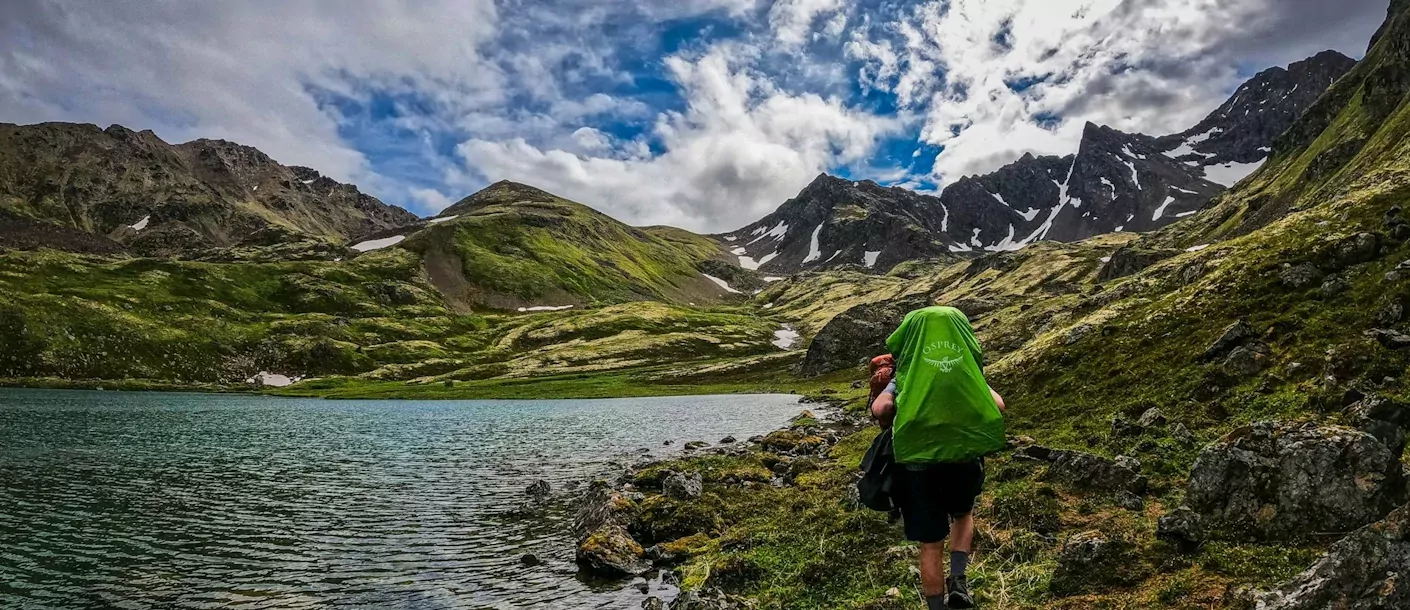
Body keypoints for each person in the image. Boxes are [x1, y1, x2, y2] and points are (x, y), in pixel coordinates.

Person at [870, 306, 1006, 610]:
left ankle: (936, 606)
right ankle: (958, 581)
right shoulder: (965, 369)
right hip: (963, 459)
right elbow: (998, 405)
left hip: (918, 466)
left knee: (930, 542)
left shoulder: (910, 370)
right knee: (962, 514)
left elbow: (881, 410)